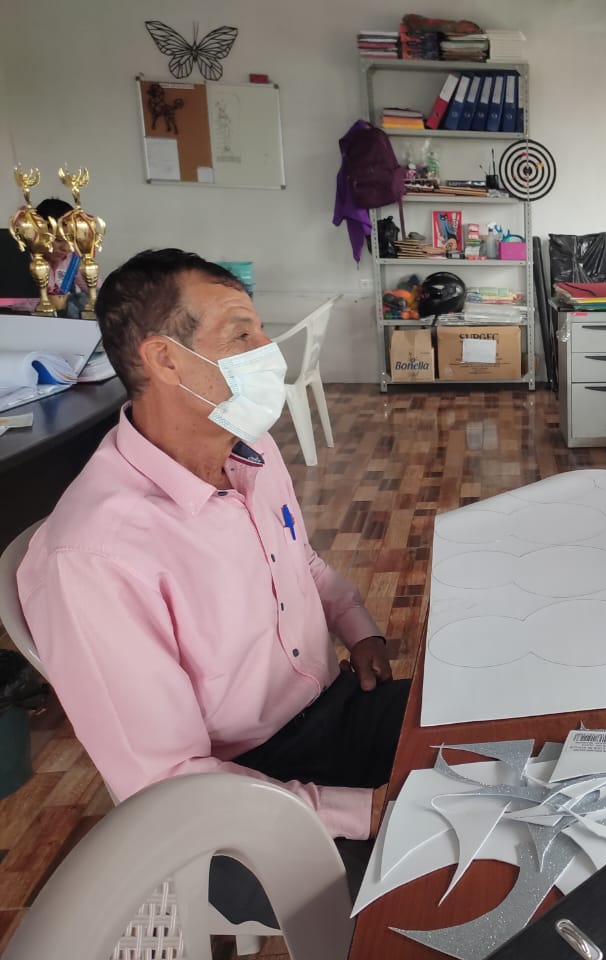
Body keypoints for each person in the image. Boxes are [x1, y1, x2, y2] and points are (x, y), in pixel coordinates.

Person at [16, 249, 410, 920]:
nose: (267, 351)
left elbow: (301, 562)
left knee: (489, 749)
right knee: (436, 899)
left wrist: (358, 627)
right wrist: (361, 811)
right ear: (165, 360)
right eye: (241, 334)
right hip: (226, 807)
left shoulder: (247, 453)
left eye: (261, 329)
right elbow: (170, 781)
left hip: (332, 711)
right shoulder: (92, 557)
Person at [0, 197, 89, 316]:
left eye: (72, 240)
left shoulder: (72, 260)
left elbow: (95, 290)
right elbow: (5, 299)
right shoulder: (20, 259)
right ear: (38, 235)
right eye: (58, 240)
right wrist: (40, 303)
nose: (66, 248)